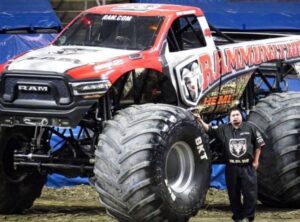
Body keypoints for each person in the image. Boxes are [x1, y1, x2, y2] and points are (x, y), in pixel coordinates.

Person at [197, 108, 265, 222]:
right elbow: (208, 129)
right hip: (232, 168)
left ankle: (248, 217)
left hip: (247, 167)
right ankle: (238, 217)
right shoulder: (223, 129)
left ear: (241, 116)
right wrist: (199, 119)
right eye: (233, 115)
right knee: (233, 195)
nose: (235, 117)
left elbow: (259, 145)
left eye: (237, 114)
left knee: (250, 194)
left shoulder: (251, 128)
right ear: (229, 118)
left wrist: (256, 161)